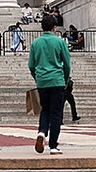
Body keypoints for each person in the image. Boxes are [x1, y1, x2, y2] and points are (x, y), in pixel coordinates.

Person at [29, 14, 71, 155]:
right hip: (57, 80)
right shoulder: (60, 42)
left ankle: (41, 132)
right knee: (56, 113)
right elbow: (67, 64)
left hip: (42, 81)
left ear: (41, 27)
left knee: (45, 109)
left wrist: (37, 78)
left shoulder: (35, 43)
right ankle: (53, 145)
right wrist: (65, 80)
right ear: (54, 27)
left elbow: (31, 65)